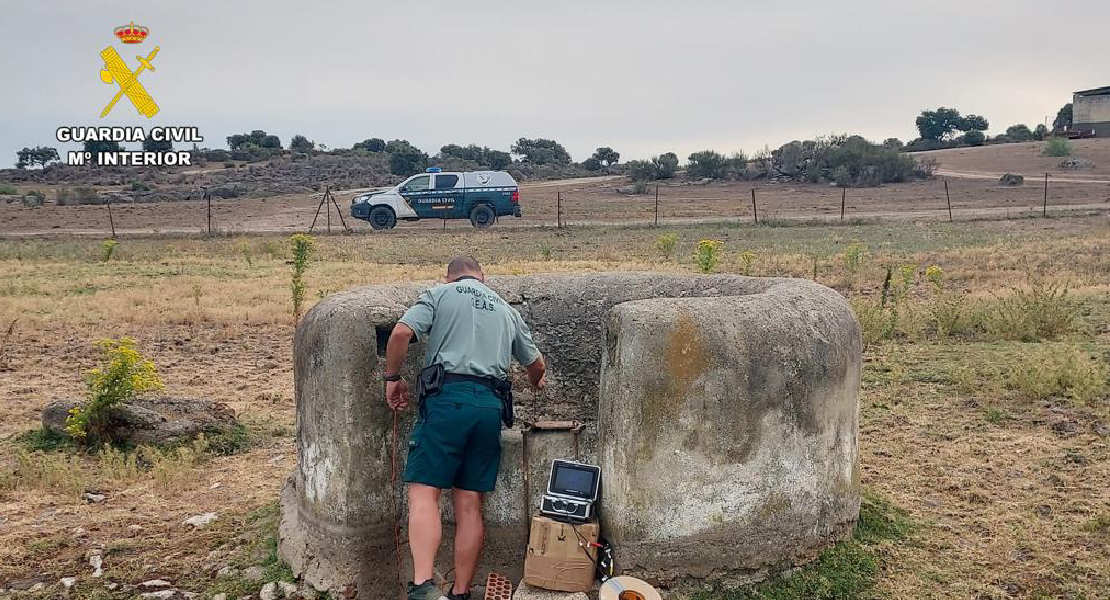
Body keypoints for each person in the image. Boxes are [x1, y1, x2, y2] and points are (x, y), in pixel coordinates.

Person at [385, 255, 546, 600]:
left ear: (449, 278)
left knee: (424, 491)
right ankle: (459, 594)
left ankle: (425, 586)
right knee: (470, 503)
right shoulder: (507, 310)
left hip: (447, 402)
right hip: (490, 409)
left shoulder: (439, 295)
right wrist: (535, 382)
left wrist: (393, 378)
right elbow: (537, 366)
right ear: (482, 278)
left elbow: (401, 332)